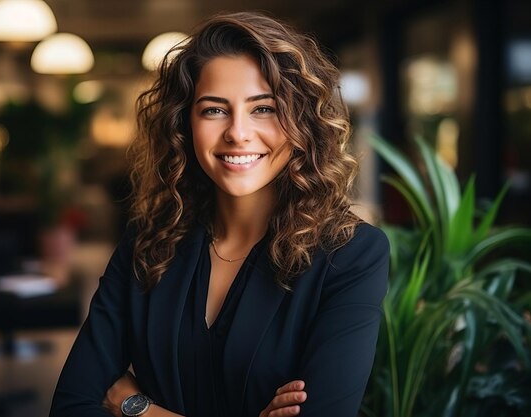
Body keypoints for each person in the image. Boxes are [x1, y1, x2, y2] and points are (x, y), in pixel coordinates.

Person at [50, 11, 389, 417]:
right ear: (185, 123)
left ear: (301, 121)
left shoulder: (350, 255)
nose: (238, 132)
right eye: (214, 110)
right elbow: (72, 404)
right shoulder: (148, 242)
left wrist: (135, 406)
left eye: (263, 108)